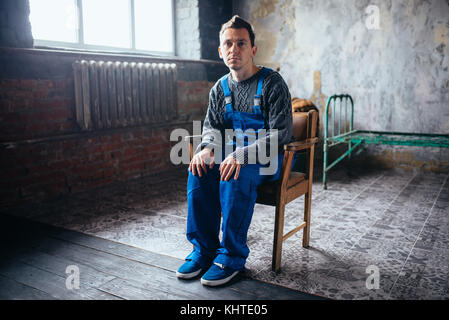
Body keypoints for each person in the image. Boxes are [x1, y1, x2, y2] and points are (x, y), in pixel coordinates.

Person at [176, 15, 294, 286]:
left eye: (241, 43)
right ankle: (203, 250)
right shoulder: (220, 88)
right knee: (198, 169)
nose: (234, 49)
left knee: (234, 173)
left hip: (268, 157)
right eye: (228, 44)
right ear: (220, 51)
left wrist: (242, 154)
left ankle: (230, 257)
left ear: (253, 49)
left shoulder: (273, 83)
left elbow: (280, 133)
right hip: (231, 154)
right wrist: (206, 148)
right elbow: (212, 128)